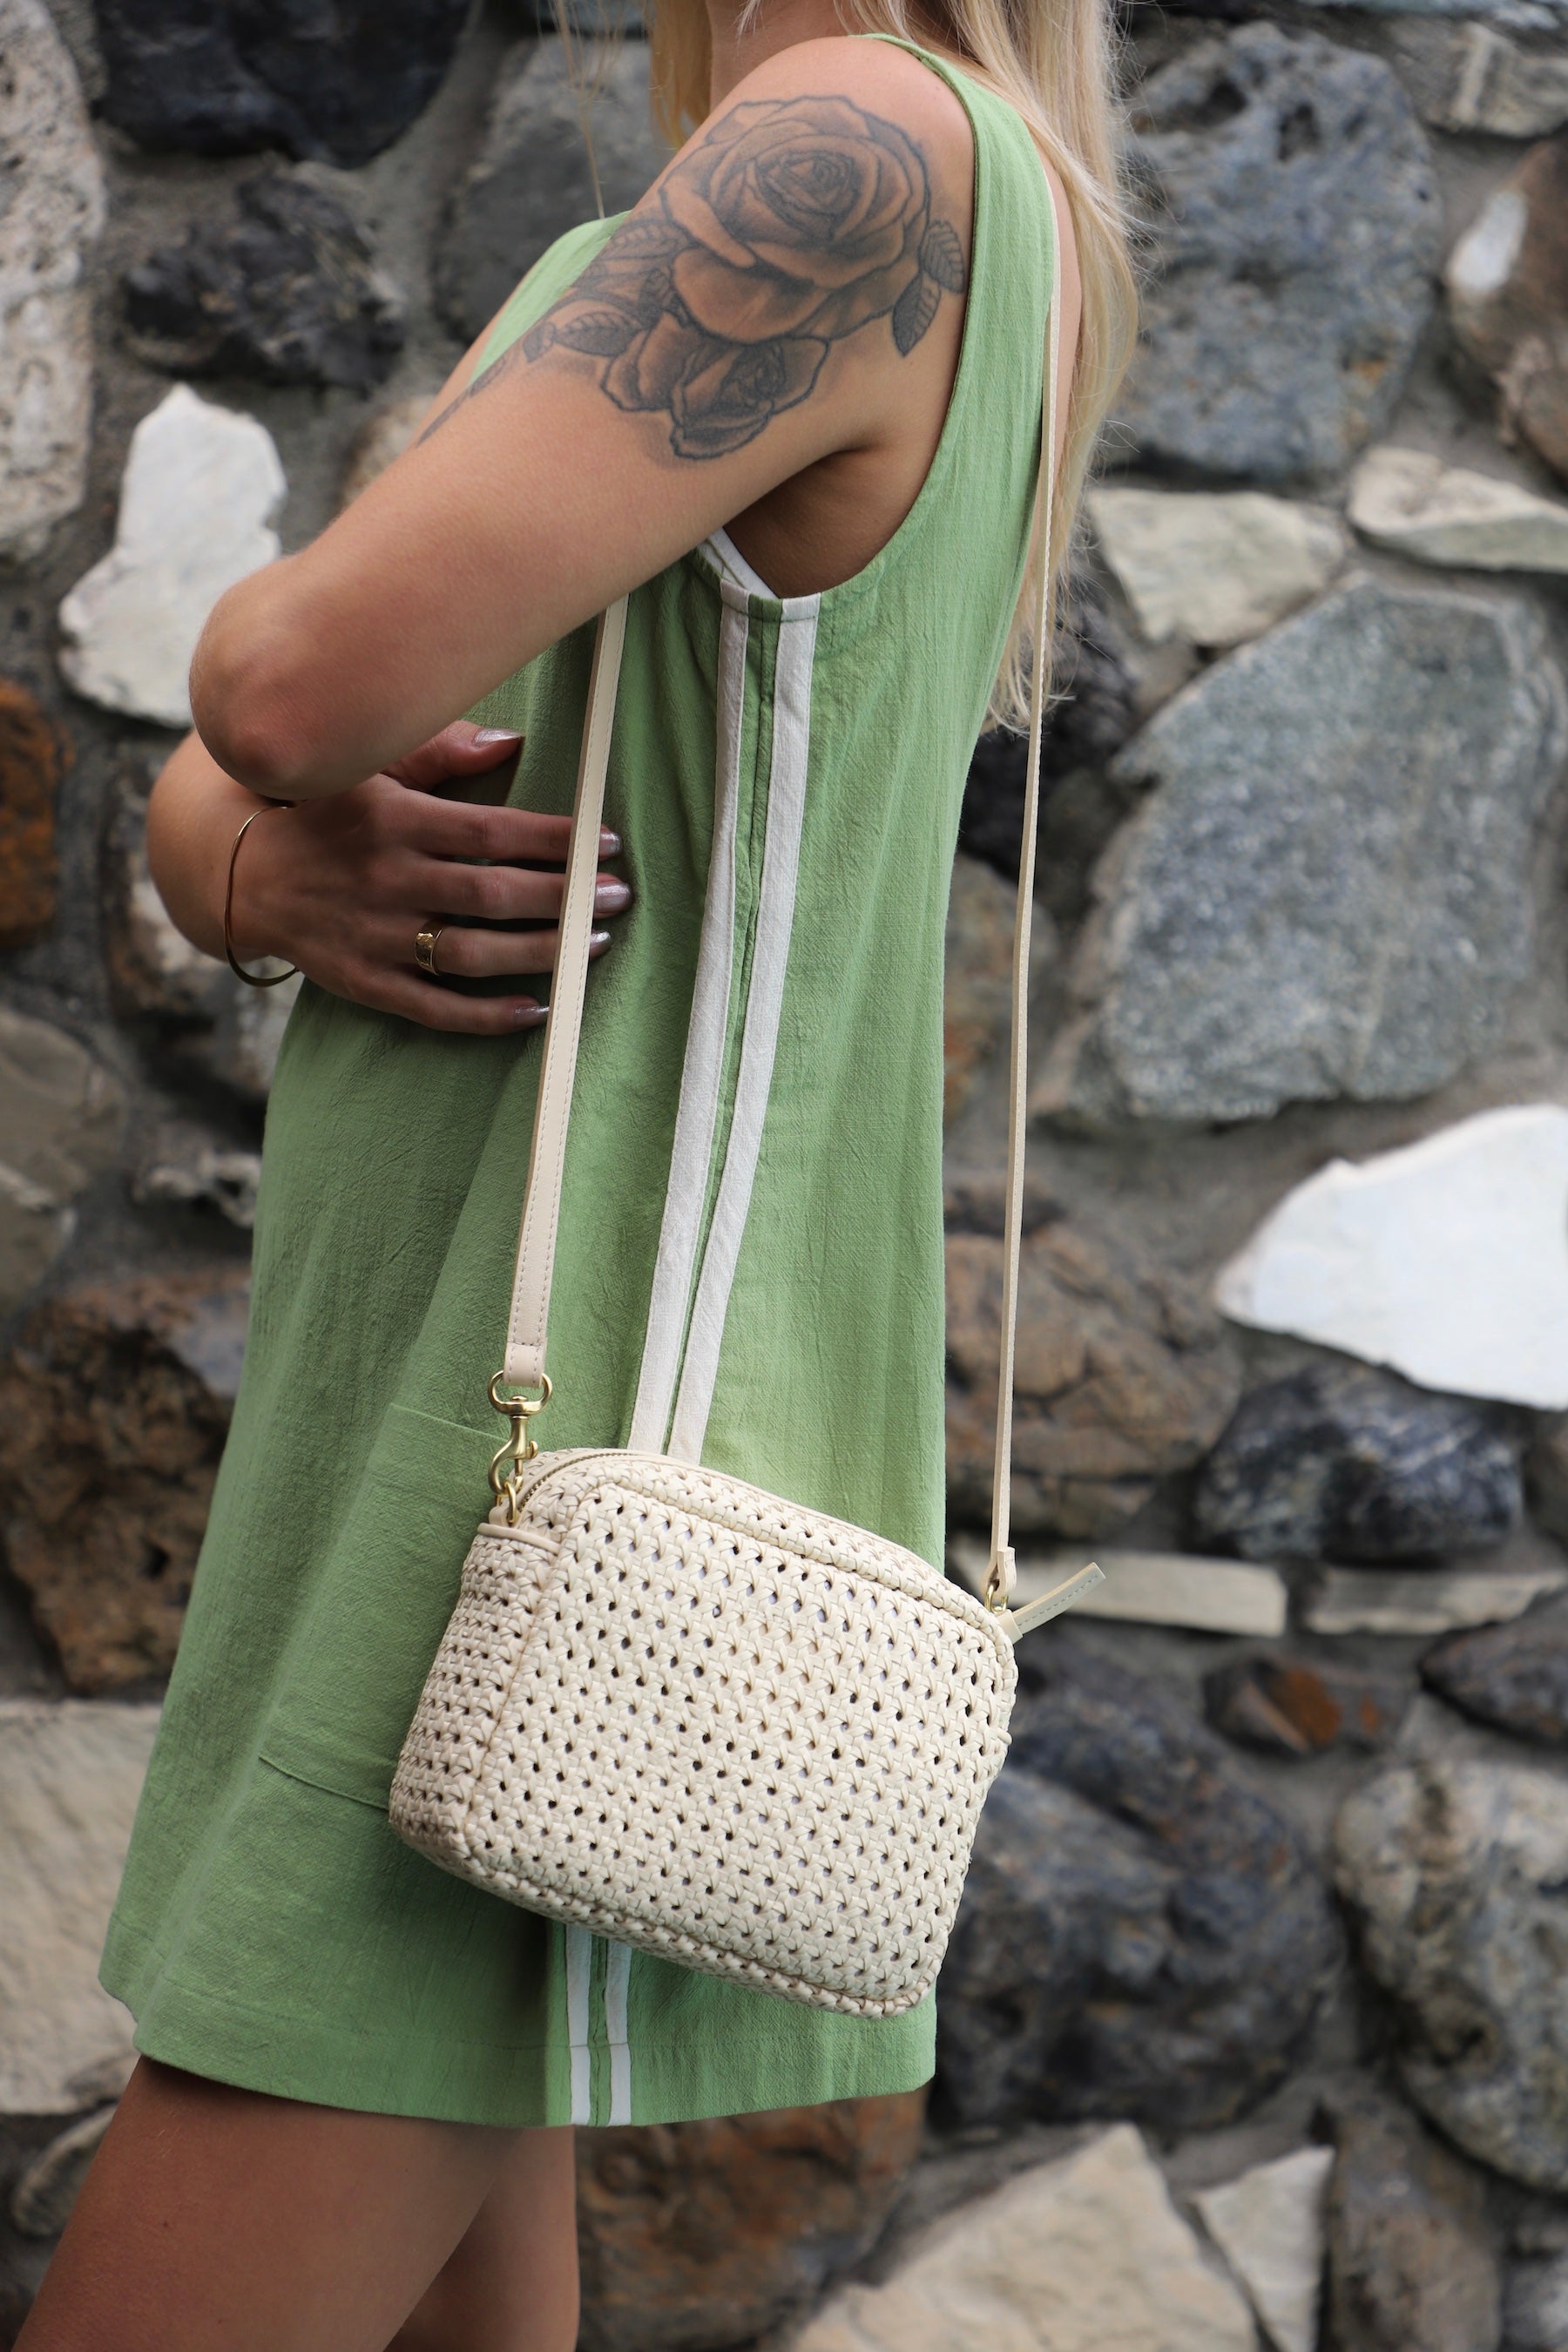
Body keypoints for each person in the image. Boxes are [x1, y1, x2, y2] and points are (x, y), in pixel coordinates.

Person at [17, 0, 1133, 2341]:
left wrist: (255, 779)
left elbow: (288, 691)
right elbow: (248, 800)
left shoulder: (850, 154)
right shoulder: (847, 189)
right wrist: (263, 862)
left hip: (514, 1495)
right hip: (496, 1429)